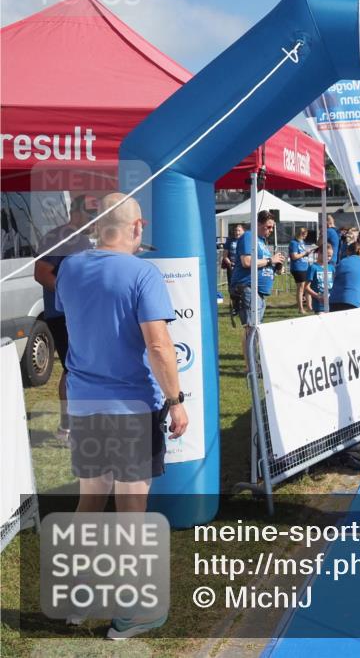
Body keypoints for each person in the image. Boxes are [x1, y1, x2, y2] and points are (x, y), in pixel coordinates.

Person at [54, 193, 188, 639]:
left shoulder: (71, 268)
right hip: (130, 406)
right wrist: (177, 399)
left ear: (97, 227)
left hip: (85, 403)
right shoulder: (142, 273)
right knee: (131, 507)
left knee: (90, 501)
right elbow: (159, 346)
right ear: (137, 227)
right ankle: (133, 613)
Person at [33, 194, 97, 441]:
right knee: (74, 368)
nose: (95, 220)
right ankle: (67, 426)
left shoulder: (86, 239)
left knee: (82, 367)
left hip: (85, 315)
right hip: (63, 314)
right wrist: (70, 297)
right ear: (76, 212)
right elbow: (41, 273)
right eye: (91, 214)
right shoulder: (58, 237)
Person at [230, 210, 285, 368]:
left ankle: (254, 364)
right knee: (251, 328)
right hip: (247, 288)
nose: (271, 230)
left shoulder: (262, 241)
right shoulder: (248, 237)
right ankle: (251, 367)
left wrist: (276, 267)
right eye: (268, 227)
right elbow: (247, 262)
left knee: (254, 328)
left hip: (258, 292)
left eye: (272, 227)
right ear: (258, 224)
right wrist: (270, 260)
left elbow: (262, 265)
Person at [329, 241, 360, 311]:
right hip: (353, 301)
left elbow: (333, 279)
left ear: (348, 252)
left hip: (334, 300)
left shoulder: (341, 262)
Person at [288, 226, 313, 314]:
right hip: (298, 268)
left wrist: (308, 252)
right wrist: (305, 253)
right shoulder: (294, 243)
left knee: (307, 287)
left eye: (305, 235)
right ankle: (301, 309)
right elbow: (294, 256)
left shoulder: (302, 242)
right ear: (299, 234)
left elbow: (302, 254)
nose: (305, 236)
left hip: (305, 266)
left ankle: (310, 307)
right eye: (303, 235)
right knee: (301, 288)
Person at [306, 246, 335, 314]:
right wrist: (318, 296)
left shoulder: (332, 268)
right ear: (319, 253)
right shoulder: (313, 268)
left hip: (331, 303)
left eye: (330, 256)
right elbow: (306, 287)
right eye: (327, 255)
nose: (328, 258)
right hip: (319, 306)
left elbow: (335, 284)